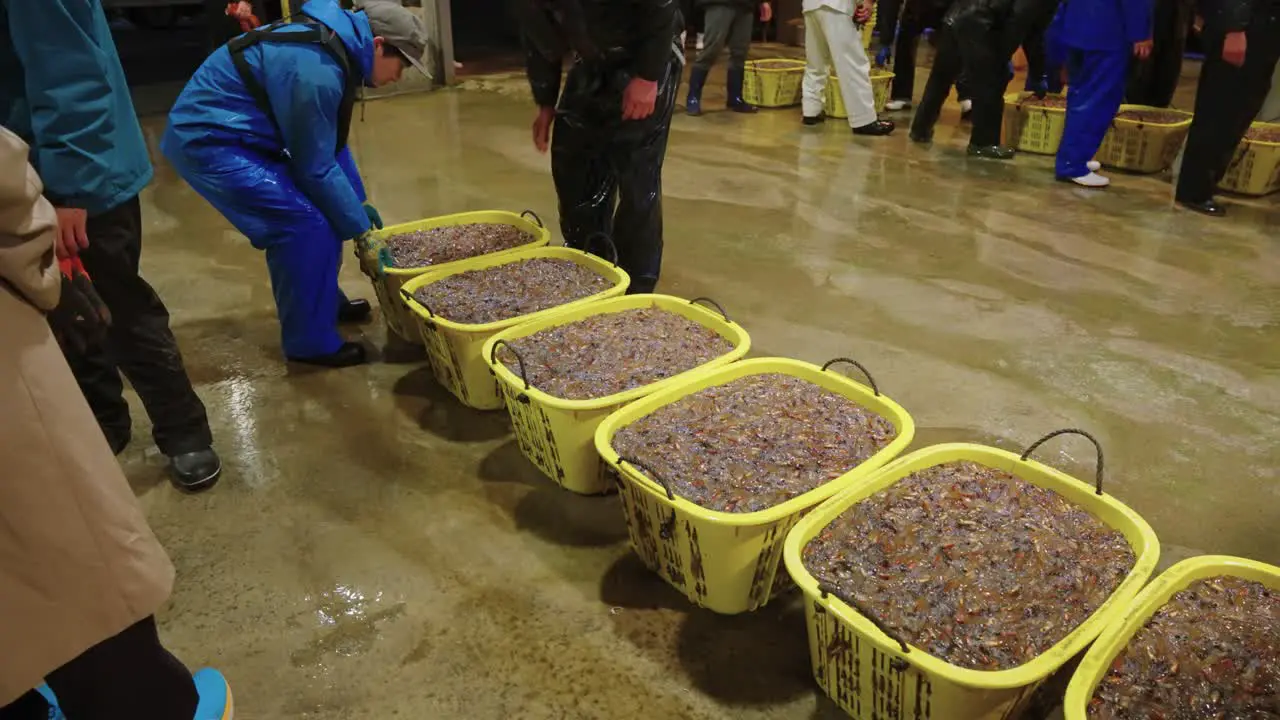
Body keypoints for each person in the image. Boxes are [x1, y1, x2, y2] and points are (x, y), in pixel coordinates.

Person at [0, 125, 231, 720]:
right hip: (58, 209)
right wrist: (48, 233)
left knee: (116, 317)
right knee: (60, 540)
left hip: (75, 177)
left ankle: (180, 432)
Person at [0, 0, 222, 491]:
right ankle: (105, 421)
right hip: (21, 171)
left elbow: (69, 67)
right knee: (56, 308)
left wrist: (71, 188)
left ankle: (183, 430)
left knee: (118, 307)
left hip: (76, 176)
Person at [162, 0, 432, 367]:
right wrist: (360, 231)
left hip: (248, 135)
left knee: (329, 210)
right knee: (304, 225)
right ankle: (310, 342)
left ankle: (322, 304)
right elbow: (314, 166)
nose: (399, 75)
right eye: (401, 64)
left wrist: (357, 205)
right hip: (211, 140)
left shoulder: (335, 49)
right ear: (380, 44)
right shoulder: (317, 68)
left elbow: (330, 143)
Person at [516, 0, 683, 295]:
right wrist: (545, 102)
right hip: (594, 58)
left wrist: (647, 76)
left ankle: (635, 286)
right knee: (573, 159)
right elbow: (540, 38)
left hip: (648, 51)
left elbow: (660, 5)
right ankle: (590, 266)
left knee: (636, 174)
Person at [908, 0, 1055, 158]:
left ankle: (920, 128)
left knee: (942, 75)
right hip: (981, 25)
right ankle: (984, 143)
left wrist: (1038, 73)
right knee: (991, 81)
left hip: (957, 15)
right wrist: (1003, 58)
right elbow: (1022, 24)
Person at [1175, 0, 1280, 215]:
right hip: (1244, 28)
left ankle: (1205, 183)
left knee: (1241, 108)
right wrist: (1234, 28)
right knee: (1223, 108)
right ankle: (1194, 189)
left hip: (1264, 27)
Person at [1052, 0, 1153, 187]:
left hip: (1076, 25)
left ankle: (1073, 157)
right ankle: (1072, 164)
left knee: (1080, 95)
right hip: (1108, 31)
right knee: (1097, 100)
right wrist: (1141, 33)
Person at [801, 0, 897, 135]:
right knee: (852, 63)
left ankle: (811, 110)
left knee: (816, 61)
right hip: (837, 6)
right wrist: (868, 2)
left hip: (811, 6)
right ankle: (864, 120)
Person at [685, 0, 772, 115]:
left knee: (740, 51)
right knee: (712, 49)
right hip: (720, 3)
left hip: (746, 5)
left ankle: (735, 98)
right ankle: (693, 97)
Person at [1125, 0, 1192, 107]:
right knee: (1139, 83)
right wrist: (1140, 30)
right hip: (1146, 19)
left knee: (1166, 77)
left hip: (1176, 18)